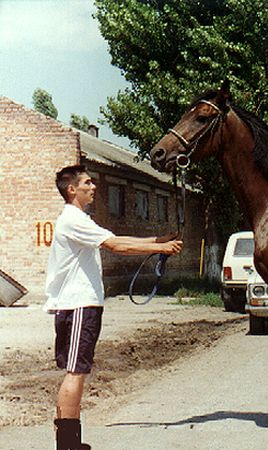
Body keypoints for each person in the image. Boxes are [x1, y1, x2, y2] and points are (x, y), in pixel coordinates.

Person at [44, 165, 183, 450]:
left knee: (77, 371)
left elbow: (116, 239)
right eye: (87, 183)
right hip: (78, 303)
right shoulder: (72, 219)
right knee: (75, 372)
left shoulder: (80, 219)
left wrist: (158, 241)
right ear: (72, 190)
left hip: (83, 304)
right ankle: (67, 445)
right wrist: (159, 249)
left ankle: (70, 441)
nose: (93, 187)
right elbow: (116, 246)